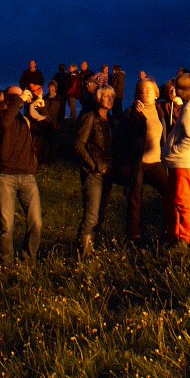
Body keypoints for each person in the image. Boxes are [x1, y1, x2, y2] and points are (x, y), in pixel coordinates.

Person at [0, 86, 50, 265]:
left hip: (27, 177)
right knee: (6, 225)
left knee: (36, 223)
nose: (21, 97)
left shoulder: (25, 120)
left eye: (21, 95)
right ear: (8, 99)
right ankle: (5, 263)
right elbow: (5, 124)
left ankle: (28, 259)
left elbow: (49, 130)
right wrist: (19, 101)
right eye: (16, 96)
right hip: (6, 176)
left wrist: (41, 109)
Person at [116, 78, 169, 243]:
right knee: (135, 199)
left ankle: (168, 229)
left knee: (169, 191)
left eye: (148, 90)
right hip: (137, 162)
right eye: (141, 90)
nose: (144, 93)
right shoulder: (131, 112)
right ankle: (134, 237)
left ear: (156, 94)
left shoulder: (160, 111)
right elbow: (122, 137)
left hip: (155, 162)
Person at [163, 72, 190, 245]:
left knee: (181, 199)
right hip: (181, 162)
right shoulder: (189, 108)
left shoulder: (188, 111)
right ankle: (175, 234)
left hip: (183, 162)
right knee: (172, 198)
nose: (175, 90)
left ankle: (186, 237)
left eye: (178, 87)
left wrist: (174, 151)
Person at [74, 84, 117, 257]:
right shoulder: (90, 117)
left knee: (100, 215)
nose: (110, 99)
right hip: (93, 174)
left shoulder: (111, 121)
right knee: (91, 215)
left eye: (112, 96)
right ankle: (82, 253)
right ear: (98, 98)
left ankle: (91, 249)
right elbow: (79, 145)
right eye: (106, 96)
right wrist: (93, 165)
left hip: (108, 173)